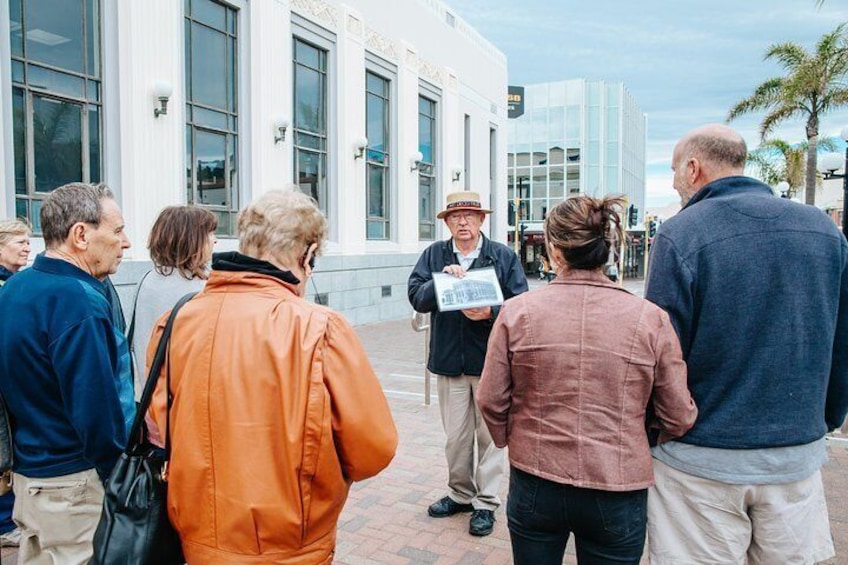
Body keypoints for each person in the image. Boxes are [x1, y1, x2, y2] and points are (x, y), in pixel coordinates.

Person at [146, 187, 398, 564]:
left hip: (198, 539)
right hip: (290, 544)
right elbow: (373, 449)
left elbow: (160, 428)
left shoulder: (176, 320)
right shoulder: (321, 328)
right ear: (308, 255)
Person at [645, 123, 848, 564]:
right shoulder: (824, 231)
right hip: (795, 454)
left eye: (676, 170)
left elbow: (662, 351)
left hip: (699, 460)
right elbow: (840, 336)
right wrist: (827, 416)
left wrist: (657, 432)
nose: (674, 181)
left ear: (695, 168)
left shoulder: (681, 234)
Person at [477, 195, 697, 564]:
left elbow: (491, 398)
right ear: (607, 248)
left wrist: (510, 438)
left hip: (536, 476)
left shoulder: (518, 313)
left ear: (555, 250)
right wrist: (643, 436)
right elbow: (678, 413)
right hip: (617, 480)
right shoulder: (650, 318)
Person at [0, 183, 132, 564]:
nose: (125, 242)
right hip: (74, 486)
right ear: (81, 234)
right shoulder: (77, 300)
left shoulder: (15, 288)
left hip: (31, 479)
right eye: (117, 230)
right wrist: (118, 476)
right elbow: (95, 409)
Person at [408, 190, 528, 537]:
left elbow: (521, 305)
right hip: (449, 362)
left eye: (469, 216)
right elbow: (416, 295)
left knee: (489, 438)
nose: (463, 222)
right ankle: (460, 494)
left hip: (492, 363)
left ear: (481, 220)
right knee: (456, 437)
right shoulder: (434, 254)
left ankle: (486, 503)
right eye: (456, 216)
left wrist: (491, 312)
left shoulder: (502, 256)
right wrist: (439, 281)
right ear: (447, 221)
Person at [130, 205, 217, 397]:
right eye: (209, 233)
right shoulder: (202, 289)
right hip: (183, 404)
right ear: (192, 239)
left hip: (148, 399)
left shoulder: (147, 280)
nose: (215, 240)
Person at [0, 219, 31, 548]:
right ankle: (4, 522)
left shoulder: (15, 283)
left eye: (27, 241)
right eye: (19, 242)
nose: (27, 246)